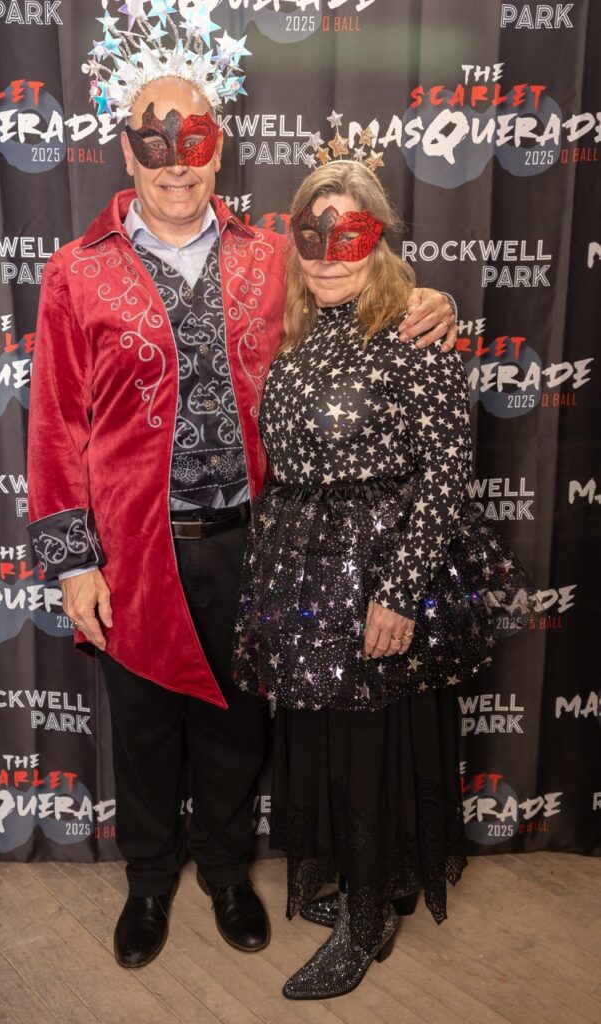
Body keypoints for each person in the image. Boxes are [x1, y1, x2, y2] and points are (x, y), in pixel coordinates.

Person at [26, 4, 458, 971]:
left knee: (234, 722)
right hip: (135, 548)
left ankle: (225, 873)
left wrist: (431, 298)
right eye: (155, 143)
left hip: (257, 541)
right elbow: (55, 424)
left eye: (195, 142)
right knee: (142, 729)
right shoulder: (75, 274)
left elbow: (361, 290)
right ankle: (147, 884)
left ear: (218, 149)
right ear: (127, 153)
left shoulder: (272, 253)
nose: (176, 163)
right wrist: (71, 565)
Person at [232, 160, 534, 1000]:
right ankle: (363, 886)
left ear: (380, 239)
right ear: (294, 245)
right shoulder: (295, 333)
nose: (329, 253)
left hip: (377, 576)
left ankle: (369, 919)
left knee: (372, 748)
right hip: (305, 579)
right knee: (327, 743)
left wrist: (398, 592)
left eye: (349, 234)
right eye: (312, 235)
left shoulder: (415, 330)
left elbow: (445, 476)